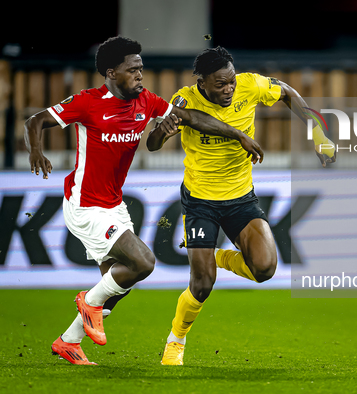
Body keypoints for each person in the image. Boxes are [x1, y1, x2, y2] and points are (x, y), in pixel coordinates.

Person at [25, 37, 263, 365]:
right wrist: (36, 150)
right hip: (84, 204)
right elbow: (35, 120)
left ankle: (69, 340)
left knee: (117, 284)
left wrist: (239, 135)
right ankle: (86, 301)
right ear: (111, 73)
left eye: (141, 69)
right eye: (132, 69)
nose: (140, 75)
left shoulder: (146, 101)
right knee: (144, 263)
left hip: (113, 204)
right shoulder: (88, 102)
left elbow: (190, 118)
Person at [146, 46, 336, 366]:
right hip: (201, 201)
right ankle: (175, 341)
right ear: (202, 83)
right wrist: (160, 134)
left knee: (264, 269)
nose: (229, 88)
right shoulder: (184, 100)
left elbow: (288, 93)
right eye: (220, 84)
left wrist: (317, 132)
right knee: (203, 284)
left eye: (231, 81)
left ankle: (218, 256)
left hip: (240, 198)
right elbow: (152, 144)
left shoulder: (250, 85)